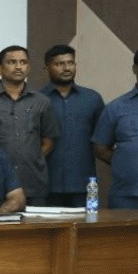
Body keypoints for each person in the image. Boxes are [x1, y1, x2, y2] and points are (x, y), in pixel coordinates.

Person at [92, 44, 138, 210]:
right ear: (135, 69)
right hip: (125, 196)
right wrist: (123, 160)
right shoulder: (116, 107)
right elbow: (99, 147)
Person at [0, 45, 59, 206]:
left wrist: (31, 158)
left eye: (23, 62)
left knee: (36, 223)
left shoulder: (42, 101)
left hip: (33, 183)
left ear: (28, 67)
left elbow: (48, 141)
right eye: (12, 62)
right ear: (0, 68)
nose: (18, 67)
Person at [41, 44, 104, 207]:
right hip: (46, 184)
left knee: (86, 224)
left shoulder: (92, 99)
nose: (66, 68)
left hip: (83, 185)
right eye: (59, 64)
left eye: (70, 63)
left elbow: (102, 141)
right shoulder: (37, 100)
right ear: (46, 68)